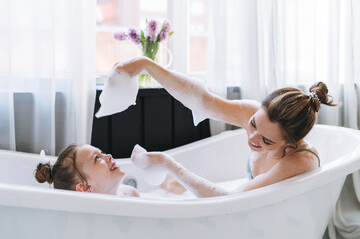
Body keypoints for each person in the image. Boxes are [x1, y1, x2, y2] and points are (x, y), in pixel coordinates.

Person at [117, 56, 338, 198]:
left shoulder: (301, 159)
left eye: (267, 141)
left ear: (291, 143)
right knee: (167, 189)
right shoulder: (252, 113)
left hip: (272, 225)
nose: (252, 138)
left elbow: (230, 203)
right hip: (244, 201)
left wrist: (168, 163)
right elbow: (201, 99)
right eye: (253, 124)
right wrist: (146, 65)